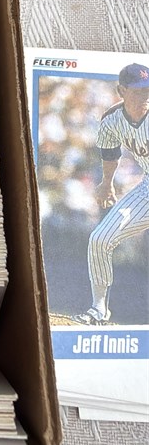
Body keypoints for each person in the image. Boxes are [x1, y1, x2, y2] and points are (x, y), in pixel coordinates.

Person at [76, 62, 149, 325]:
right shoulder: (112, 119)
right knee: (99, 238)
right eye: (138, 90)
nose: (145, 95)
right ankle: (98, 310)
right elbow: (110, 153)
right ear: (122, 91)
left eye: (148, 89)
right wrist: (106, 183)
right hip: (147, 188)